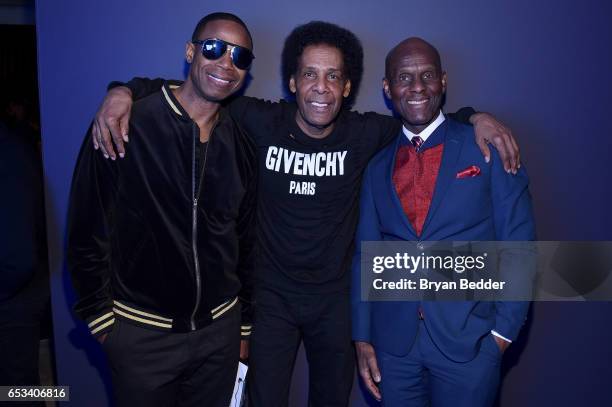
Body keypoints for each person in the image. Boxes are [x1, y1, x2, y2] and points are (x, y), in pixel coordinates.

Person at [91, 20, 521, 407]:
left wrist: (474, 116)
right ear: (292, 83)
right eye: (310, 75)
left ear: (347, 87)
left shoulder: (368, 133)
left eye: (333, 76)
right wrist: (124, 90)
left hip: (334, 303)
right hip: (270, 300)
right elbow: (198, 89)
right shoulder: (258, 120)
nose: (321, 87)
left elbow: (424, 113)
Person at [66, 13, 257, 407]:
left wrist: (243, 328)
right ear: (190, 51)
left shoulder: (240, 142)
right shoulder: (127, 122)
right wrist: (104, 326)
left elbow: (246, 243)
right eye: (214, 48)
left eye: (239, 57)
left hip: (219, 336)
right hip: (142, 338)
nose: (226, 63)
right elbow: (87, 230)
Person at [351, 37, 536, 406]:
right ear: (388, 89)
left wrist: (502, 334)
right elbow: (365, 257)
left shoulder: (487, 148)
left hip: (470, 342)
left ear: (443, 81)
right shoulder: (376, 168)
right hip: (394, 348)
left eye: (427, 75)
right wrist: (363, 336)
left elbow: (518, 244)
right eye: (404, 78)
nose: (417, 87)